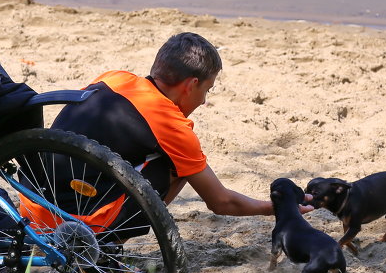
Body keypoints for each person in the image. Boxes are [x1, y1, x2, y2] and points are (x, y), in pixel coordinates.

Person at [52, 31, 311, 232]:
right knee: (180, 166)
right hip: (76, 222)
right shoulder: (171, 125)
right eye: (207, 90)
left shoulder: (115, 78)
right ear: (191, 85)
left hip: (37, 204)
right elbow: (221, 202)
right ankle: (104, 247)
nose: (204, 101)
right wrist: (276, 208)